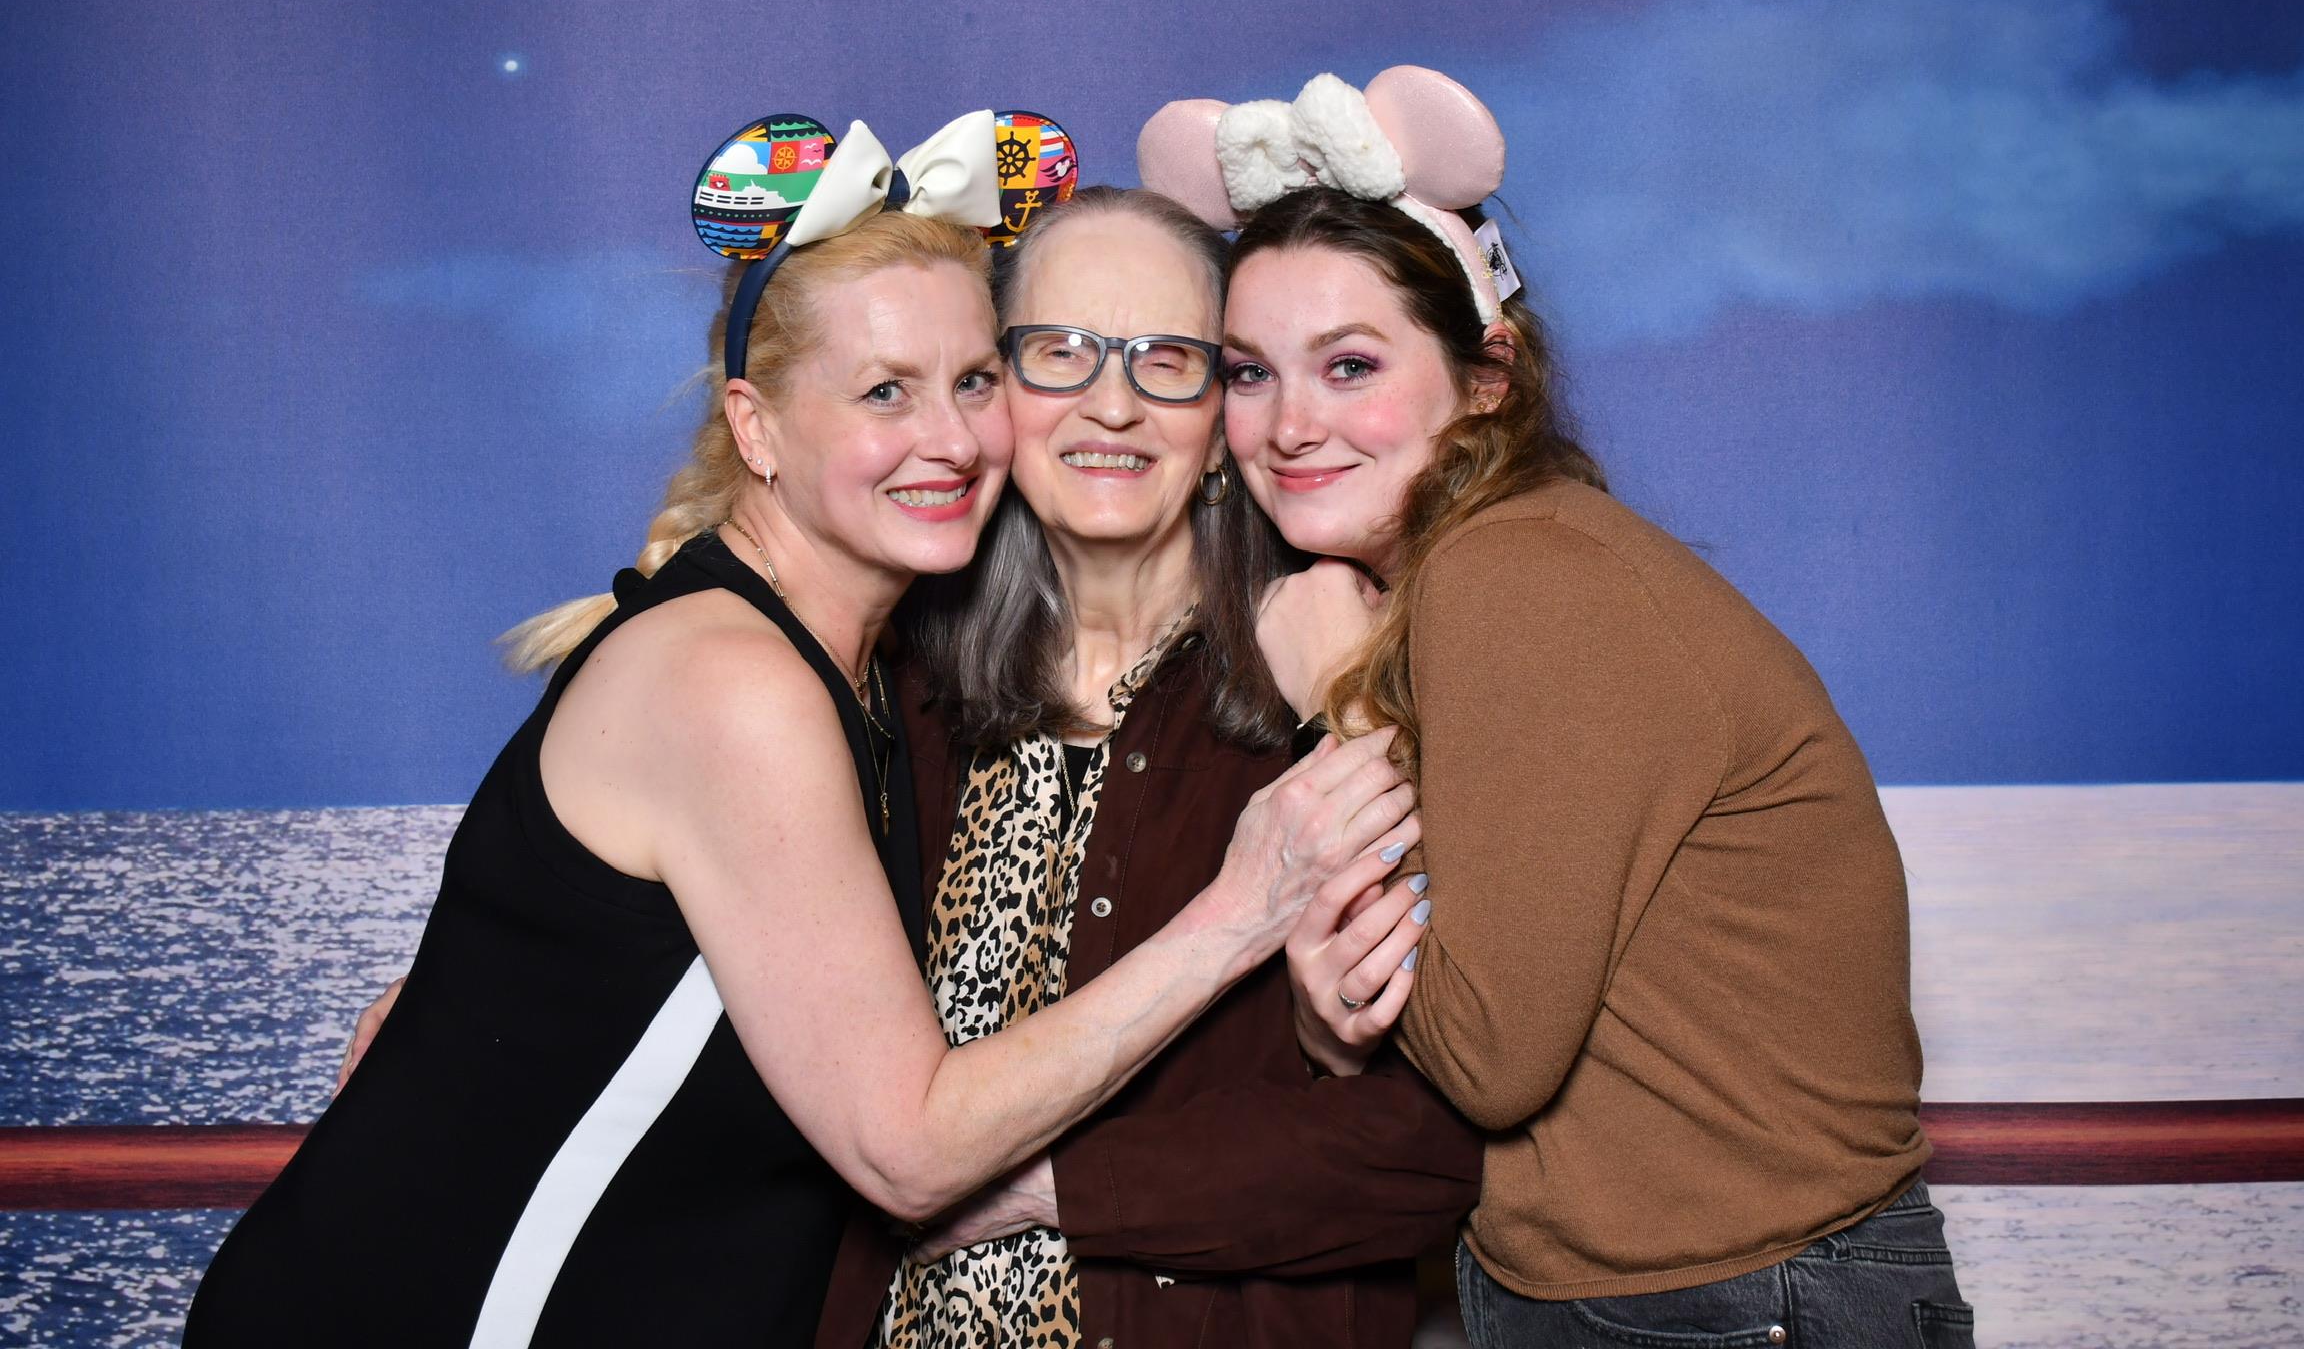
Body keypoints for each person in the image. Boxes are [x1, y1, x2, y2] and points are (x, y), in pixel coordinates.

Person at [188, 111, 1415, 1347]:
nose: (949, 436)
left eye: (970, 380)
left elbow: (1429, 1119)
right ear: (756, 426)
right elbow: (909, 1145)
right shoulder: (757, 685)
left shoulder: (880, 676)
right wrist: (1246, 907)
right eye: (890, 391)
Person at [1140, 69, 1973, 1348]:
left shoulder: (1517, 576)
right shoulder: (1493, 572)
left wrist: (1335, 706)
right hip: (1667, 1295)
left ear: (1487, 378)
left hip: (1738, 1303)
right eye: (1250, 374)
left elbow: (1484, 1056)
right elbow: (1409, 1030)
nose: (1290, 425)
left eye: (1350, 365)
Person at [809, 185, 1484, 1348]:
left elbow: (1430, 1145)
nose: (1111, 405)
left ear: (1223, 405)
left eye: (1169, 359)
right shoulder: (888, 690)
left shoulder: (1338, 677)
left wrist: (1049, 1184)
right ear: (991, 391)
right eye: (1058, 353)